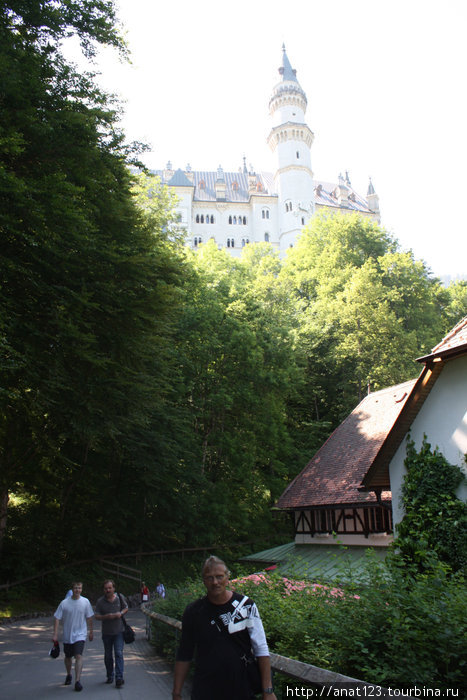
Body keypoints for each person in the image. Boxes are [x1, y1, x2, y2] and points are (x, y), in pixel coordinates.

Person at [172, 556, 277, 700]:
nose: (215, 582)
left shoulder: (246, 606)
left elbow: (261, 649)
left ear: (227, 577)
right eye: (210, 578)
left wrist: (268, 690)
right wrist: (176, 693)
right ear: (203, 580)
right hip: (205, 690)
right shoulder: (193, 612)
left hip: (241, 688)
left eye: (219, 577)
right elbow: (184, 653)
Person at [53, 581, 94, 692]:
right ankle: (68, 674)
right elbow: (57, 618)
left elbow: (89, 617)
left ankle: (77, 681)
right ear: (72, 589)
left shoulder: (85, 602)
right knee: (68, 657)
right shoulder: (64, 603)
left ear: (82, 589)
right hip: (67, 635)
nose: (77, 590)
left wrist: (91, 632)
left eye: (79, 588)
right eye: (76, 588)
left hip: (80, 634)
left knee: (78, 656)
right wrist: (55, 634)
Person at [94, 579, 128, 688]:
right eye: (106, 588)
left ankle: (119, 677)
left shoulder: (120, 597)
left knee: (118, 653)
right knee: (108, 655)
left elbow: (126, 608)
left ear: (114, 588)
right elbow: (96, 615)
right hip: (107, 632)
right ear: (103, 590)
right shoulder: (100, 601)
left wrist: (120, 613)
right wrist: (106, 617)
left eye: (110, 588)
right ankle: (110, 675)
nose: (108, 590)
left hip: (119, 631)